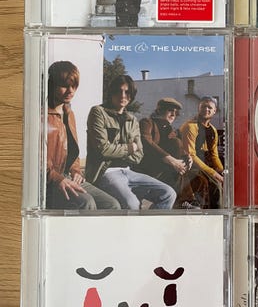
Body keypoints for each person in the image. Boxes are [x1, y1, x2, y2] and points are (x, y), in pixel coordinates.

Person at [85, 75, 176, 210]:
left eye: (127, 92)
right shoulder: (98, 112)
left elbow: (138, 155)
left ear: (131, 95)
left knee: (168, 193)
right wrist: (129, 148)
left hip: (128, 171)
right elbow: (102, 149)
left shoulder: (132, 119)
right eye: (119, 91)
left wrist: (115, 150)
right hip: (106, 172)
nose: (123, 95)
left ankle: (151, 223)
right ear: (111, 93)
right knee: (132, 204)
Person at [46, 61, 120, 210]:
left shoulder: (69, 114)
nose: (70, 91)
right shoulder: (42, 115)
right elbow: (36, 158)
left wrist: (76, 171)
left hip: (68, 176)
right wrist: (56, 178)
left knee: (112, 205)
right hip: (50, 180)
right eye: (64, 85)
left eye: (74, 86)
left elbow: (72, 150)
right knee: (86, 203)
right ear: (52, 84)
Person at [135, 97, 199, 209]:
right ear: (160, 110)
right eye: (170, 110)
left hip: (164, 170)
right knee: (176, 147)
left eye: (176, 112)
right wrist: (171, 160)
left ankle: (184, 200)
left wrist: (187, 156)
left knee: (197, 175)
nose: (173, 114)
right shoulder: (147, 122)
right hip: (147, 169)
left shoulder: (169, 129)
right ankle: (183, 200)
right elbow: (146, 142)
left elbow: (178, 147)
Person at [179, 97, 224, 209]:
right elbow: (191, 155)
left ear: (214, 111)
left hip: (203, 164)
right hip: (189, 164)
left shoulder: (213, 130)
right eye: (203, 106)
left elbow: (214, 155)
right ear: (198, 108)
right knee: (214, 184)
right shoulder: (190, 126)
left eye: (209, 107)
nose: (206, 109)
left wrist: (221, 171)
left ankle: (216, 214)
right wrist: (214, 173)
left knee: (221, 183)